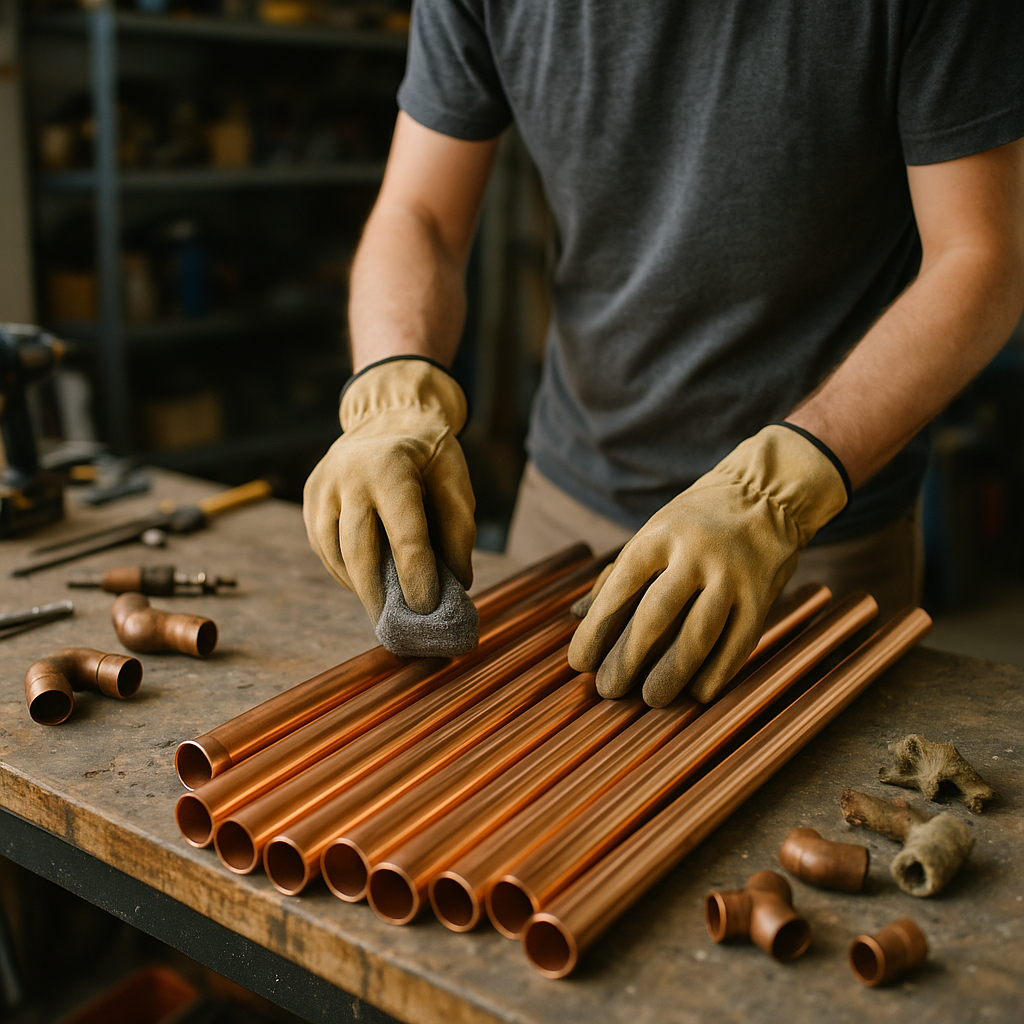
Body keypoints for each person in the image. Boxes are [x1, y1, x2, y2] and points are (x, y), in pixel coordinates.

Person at [304, 1, 1024, 708]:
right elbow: (420, 212)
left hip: (811, 542)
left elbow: (984, 257)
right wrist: (391, 394)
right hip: (566, 511)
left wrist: (774, 493)